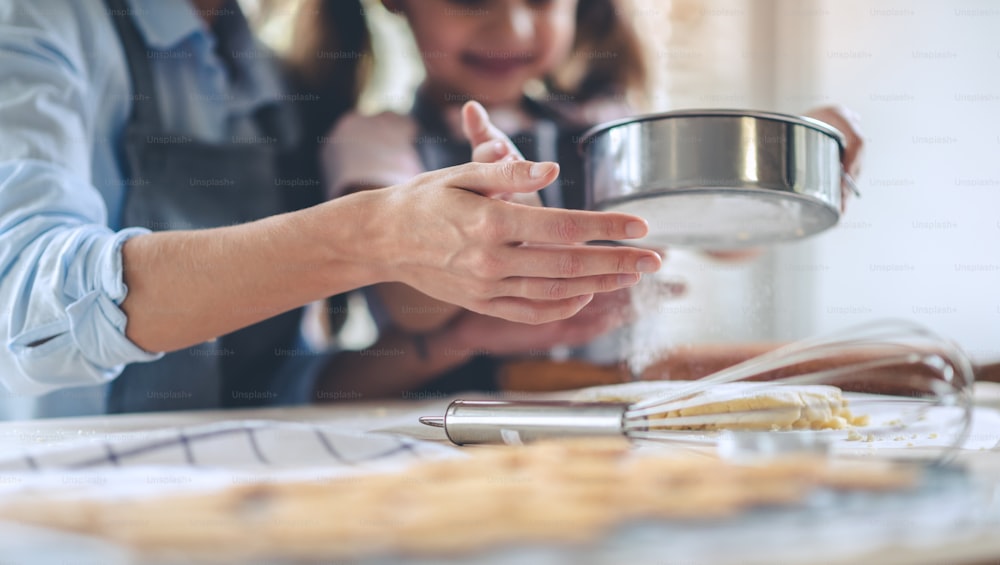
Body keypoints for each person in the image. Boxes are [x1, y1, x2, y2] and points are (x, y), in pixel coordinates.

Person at [0, 0, 661, 419]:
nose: (513, 23)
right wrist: (373, 234)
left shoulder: (278, 83)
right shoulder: (37, 24)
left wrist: (451, 341)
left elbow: (276, 384)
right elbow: (23, 305)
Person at [315, 0, 865, 399]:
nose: (512, 25)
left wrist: (783, 162)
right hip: (442, 427)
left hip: (610, 418)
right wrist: (494, 238)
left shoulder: (607, 135)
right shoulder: (376, 143)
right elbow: (414, 311)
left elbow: (730, 239)